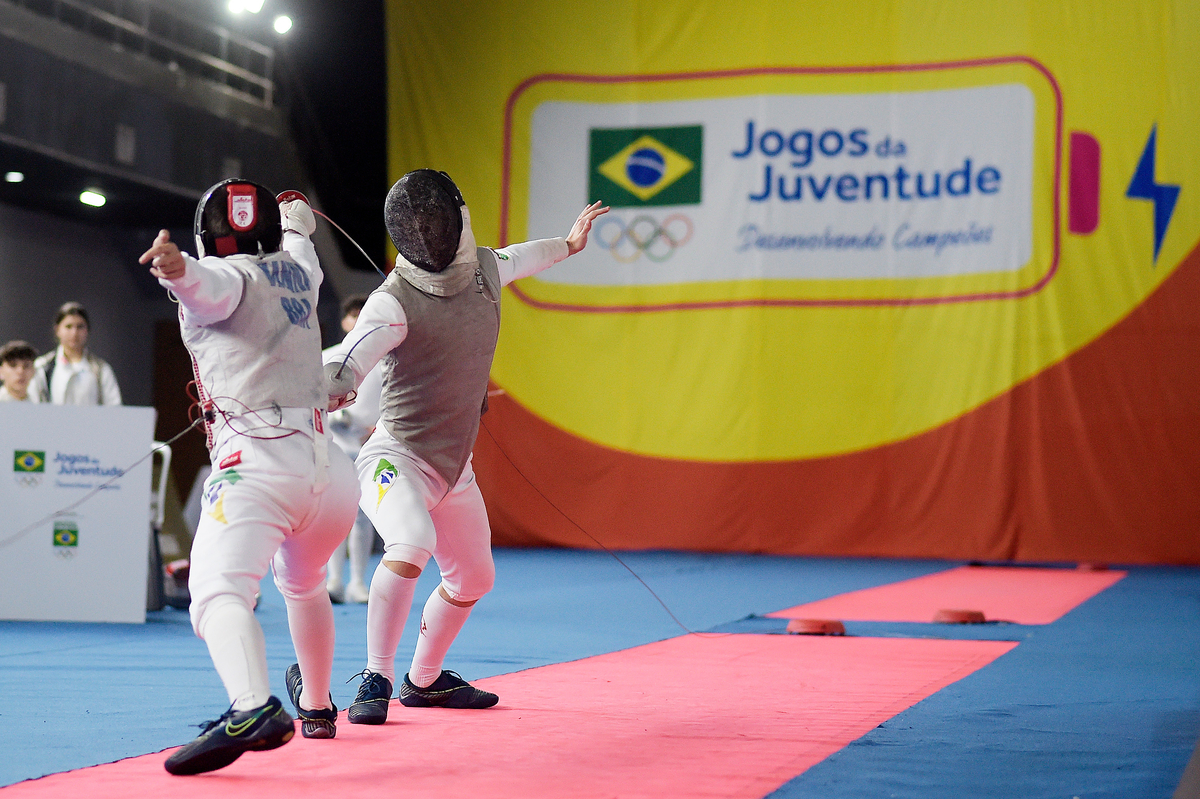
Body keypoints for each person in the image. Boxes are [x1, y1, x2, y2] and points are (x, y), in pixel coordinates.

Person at [325, 169, 607, 723]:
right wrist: (337, 382)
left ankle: (423, 680)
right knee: (410, 542)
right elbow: (352, 355)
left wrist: (569, 246)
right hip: (395, 458)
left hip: (454, 470)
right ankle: (374, 679)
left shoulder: (484, 269)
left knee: (475, 577)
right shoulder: (391, 300)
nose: (430, 232)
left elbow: (522, 256)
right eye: (421, 224)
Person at [139, 180, 360, 774]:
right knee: (305, 581)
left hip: (261, 464)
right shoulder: (300, 271)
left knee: (214, 593)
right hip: (331, 474)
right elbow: (301, 245)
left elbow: (214, 288)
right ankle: (314, 705)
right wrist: (295, 223)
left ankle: (253, 706)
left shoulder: (226, 276)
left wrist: (178, 271)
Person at [323, 294, 384, 604]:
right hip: (334, 446)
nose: (358, 321)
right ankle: (334, 580)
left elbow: (395, 401)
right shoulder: (328, 357)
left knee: (363, 515)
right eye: (353, 316)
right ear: (345, 321)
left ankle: (358, 581)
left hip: (371, 448)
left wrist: (378, 429)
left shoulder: (386, 360)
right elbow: (313, 401)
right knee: (336, 514)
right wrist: (336, 417)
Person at [31, 302, 122, 405]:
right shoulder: (42, 367)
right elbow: (34, 405)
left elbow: (114, 408)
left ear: (87, 330)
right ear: (57, 330)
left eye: (80, 327)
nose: (74, 333)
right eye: (68, 327)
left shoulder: (100, 370)